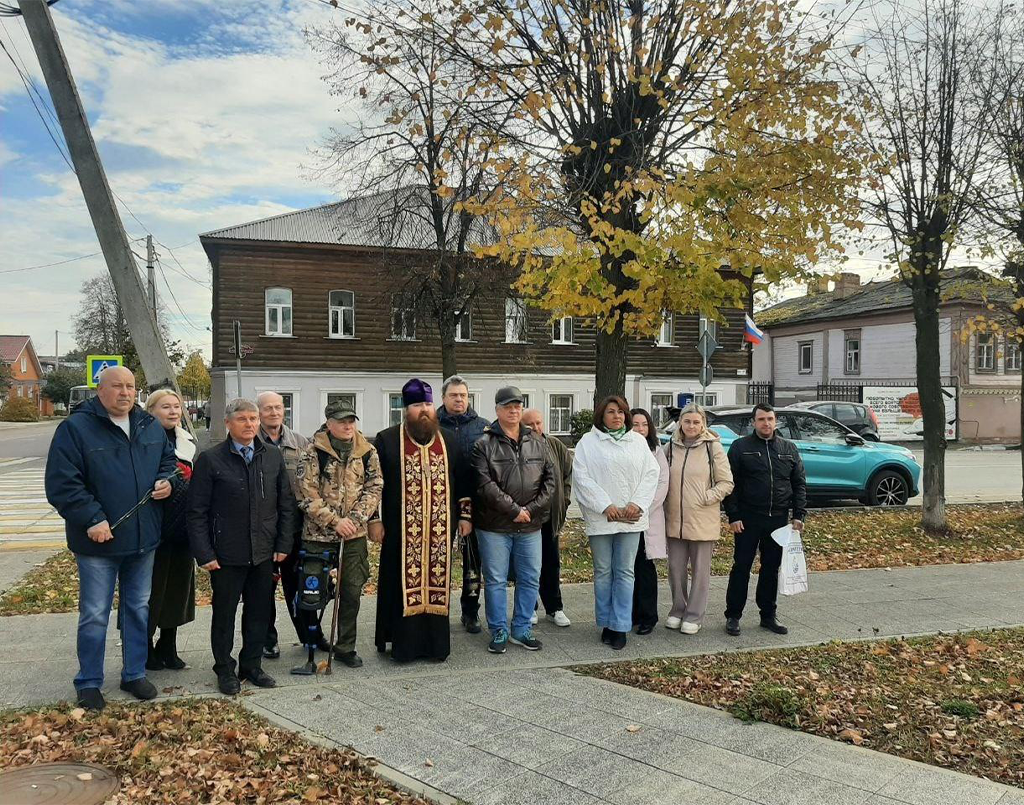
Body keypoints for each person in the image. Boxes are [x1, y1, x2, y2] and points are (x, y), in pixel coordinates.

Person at [45, 366, 176, 711]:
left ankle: (133, 673)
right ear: (100, 391)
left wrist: (168, 482)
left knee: (137, 609)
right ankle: (89, 681)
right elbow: (62, 484)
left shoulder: (149, 426)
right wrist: (92, 518)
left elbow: (168, 462)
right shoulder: (75, 429)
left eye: (131, 387)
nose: (125, 392)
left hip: (143, 538)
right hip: (97, 542)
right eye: (117, 386)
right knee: (95, 613)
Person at [186, 398, 295, 695]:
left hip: (263, 552)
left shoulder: (271, 457)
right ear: (228, 423)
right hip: (226, 555)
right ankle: (224, 668)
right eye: (243, 419)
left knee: (259, 612)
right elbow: (196, 511)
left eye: (254, 419)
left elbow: (286, 504)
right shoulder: (210, 460)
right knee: (225, 615)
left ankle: (252, 665)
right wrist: (204, 553)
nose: (250, 425)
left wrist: (283, 543)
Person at [372, 379, 472, 662]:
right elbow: (372, 485)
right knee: (399, 584)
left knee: (438, 580)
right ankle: (404, 646)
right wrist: (373, 520)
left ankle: (435, 646)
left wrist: (465, 516)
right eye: (417, 405)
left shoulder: (449, 442)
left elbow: (463, 481)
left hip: (440, 533)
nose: (424, 410)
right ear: (406, 409)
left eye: (428, 404)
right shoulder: (387, 440)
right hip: (400, 533)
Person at [295, 400, 383, 669]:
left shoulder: (367, 451)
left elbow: (375, 486)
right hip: (318, 535)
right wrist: (334, 521)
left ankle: (346, 645)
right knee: (312, 592)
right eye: (342, 421)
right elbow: (305, 494)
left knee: (352, 589)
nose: (348, 426)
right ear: (329, 423)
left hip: (353, 536)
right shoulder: (312, 452)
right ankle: (312, 640)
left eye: (351, 421)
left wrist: (354, 520)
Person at [572, 396, 660, 651]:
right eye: (611, 412)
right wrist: (605, 506)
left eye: (621, 412)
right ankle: (606, 622)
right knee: (603, 572)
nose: (617, 416)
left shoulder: (638, 442)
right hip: (603, 519)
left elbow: (651, 474)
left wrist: (636, 504)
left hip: (631, 518)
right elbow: (582, 477)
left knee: (625, 571)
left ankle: (620, 625)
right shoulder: (588, 443)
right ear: (601, 415)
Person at [472, 387, 555, 654]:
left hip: (530, 525)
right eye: (508, 406)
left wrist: (529, 510)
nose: (514, 410)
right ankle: (498, 631)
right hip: (495, 526)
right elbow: (484, 485)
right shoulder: (483, 444)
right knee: (495, 580)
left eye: (518, 405)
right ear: (497, 410)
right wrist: (514, 510)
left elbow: (550, 482)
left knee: (530, 578)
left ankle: (521, 629)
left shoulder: (538, 442)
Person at [723, 403, 806, 637]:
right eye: (761, 419)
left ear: (776, 421)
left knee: (771, 568)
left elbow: (799, 483)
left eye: (770, 419)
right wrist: (733, 515)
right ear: (753, 422)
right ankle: (733, 615)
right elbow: (731, 485)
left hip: (778, 520)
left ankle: (768, 615)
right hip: (748, 519)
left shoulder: (788, 448)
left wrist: (798, 514)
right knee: (741, 567)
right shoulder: (741, 447)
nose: (766, 423)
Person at [663, 402, 734, 634]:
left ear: (703, 424)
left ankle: (694, 615)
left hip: (703, 518)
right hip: (674, 519)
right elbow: (660, 475)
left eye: (696, 422)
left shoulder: (713, 448)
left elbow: (726, 482)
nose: (691, 425)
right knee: (675, 569)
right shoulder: (671, 447)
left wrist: (707, 496)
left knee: (700, 570)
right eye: (687, 421)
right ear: (680, 423)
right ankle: (677, 609)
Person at [143, 389, 197, 671]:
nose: (174, 411)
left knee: (179, 588)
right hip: (155, 527)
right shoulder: (142, 441)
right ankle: (145, 648)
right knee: (152, 591)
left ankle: (168, 644)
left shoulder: (187, 441)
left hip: (182, 527)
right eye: (166, 407)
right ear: (151, 410)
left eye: (177, 406)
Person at [257, 391, 311, 660]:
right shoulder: (251, 442)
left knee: (297, 585)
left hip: (294, 528)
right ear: (259, 412)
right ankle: (268, 639)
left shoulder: (300, 442)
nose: (274, 413)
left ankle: (308, 635)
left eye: (278, 407)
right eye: (268, 408)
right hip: (262, 530)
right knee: (264, 588)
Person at [436, 375, 489, 635]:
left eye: (463, 395)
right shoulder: (430, 425)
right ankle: (436, 610)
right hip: (438, 503)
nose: (459, 399)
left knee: (472, 562)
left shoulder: (483, 427)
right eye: (454, 395)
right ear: (443, 398)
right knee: (438, 560)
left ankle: (470, 612)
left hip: (475, 504)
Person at [520, 407, 573, 628]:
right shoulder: (518, 447)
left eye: (538, 423)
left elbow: (568, 474)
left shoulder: (555, 446)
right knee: (529, 566)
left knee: (551, 564)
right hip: (528, 519)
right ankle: (530, 607)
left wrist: (565, 501)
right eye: (530, 424)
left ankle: (554, 608)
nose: (535, 428)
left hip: (550, 518)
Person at [628, 408, 670, 635]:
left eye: (644, 424)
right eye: (635, 424)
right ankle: (630, 613)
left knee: (645, 568)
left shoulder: (656, 451)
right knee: (627, 568)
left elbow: (663, 482)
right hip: (626, 519)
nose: (640, 429)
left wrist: (642, 508)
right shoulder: (625, 448)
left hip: (647, 517)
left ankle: (648, 616)